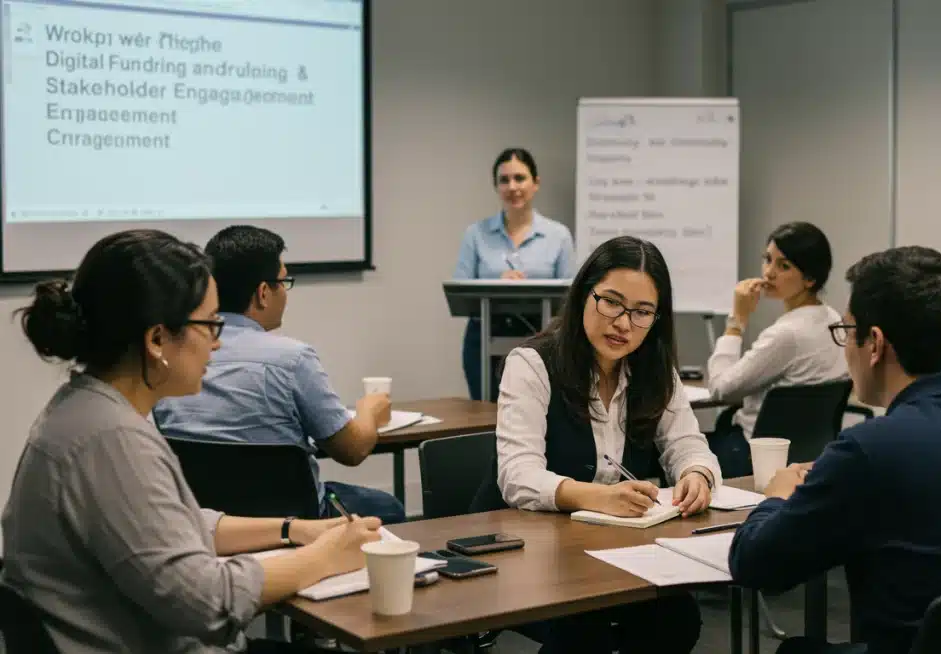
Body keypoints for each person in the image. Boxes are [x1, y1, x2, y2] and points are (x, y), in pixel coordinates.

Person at [2, 229, 382, 654]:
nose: (217, 343)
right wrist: (325, 557)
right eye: (209, 324)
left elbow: (172, 525)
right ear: (158, 339)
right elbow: (207, 603)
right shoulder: (110, 439)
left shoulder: (88, 411)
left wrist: (293, 530)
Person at [729, 246, 941, 654]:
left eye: (846, 330)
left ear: (874, 343)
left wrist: (776, 497)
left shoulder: (869, 450)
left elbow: (754, 565)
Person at [473, 235, 720, 654]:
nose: (623, 323)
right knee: (584, 635)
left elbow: (689, 444)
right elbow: (517, 476)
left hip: (615, 551)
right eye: (611, 302)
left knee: (676, 621)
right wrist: (598, 497)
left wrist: (697, 474)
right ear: (584, 293)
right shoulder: (532, 364)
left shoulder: (655, 370)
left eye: (642, 312)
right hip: (531, 549)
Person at [153, 226, 405, 524]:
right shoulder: (292, 359)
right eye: (283, 283)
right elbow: (352, 450)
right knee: (387, 506)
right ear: (263, 293)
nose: (285, 293)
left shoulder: (174, 356)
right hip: (297, 521)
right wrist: (369, 411)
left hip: (203, 524)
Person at [705, 222, 847, 476]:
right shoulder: (832, 319)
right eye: (767, 260)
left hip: (753, 456)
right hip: (809, 458)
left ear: (810, 278)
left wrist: (737, 321)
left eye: (784, 266)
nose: (769, 273)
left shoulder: (787, 334)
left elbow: (719, 390)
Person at [453, 147, 575, 401]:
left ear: (536, 183)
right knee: (484, 419)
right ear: (496, 186)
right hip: (484, 336)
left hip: (542, 340)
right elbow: (460, 289)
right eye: (504, 180)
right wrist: (495, 285)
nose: (512, 186)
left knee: (538, 417)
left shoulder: (558, 235)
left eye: (520, 178)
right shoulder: (476, 234)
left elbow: (570, 298)